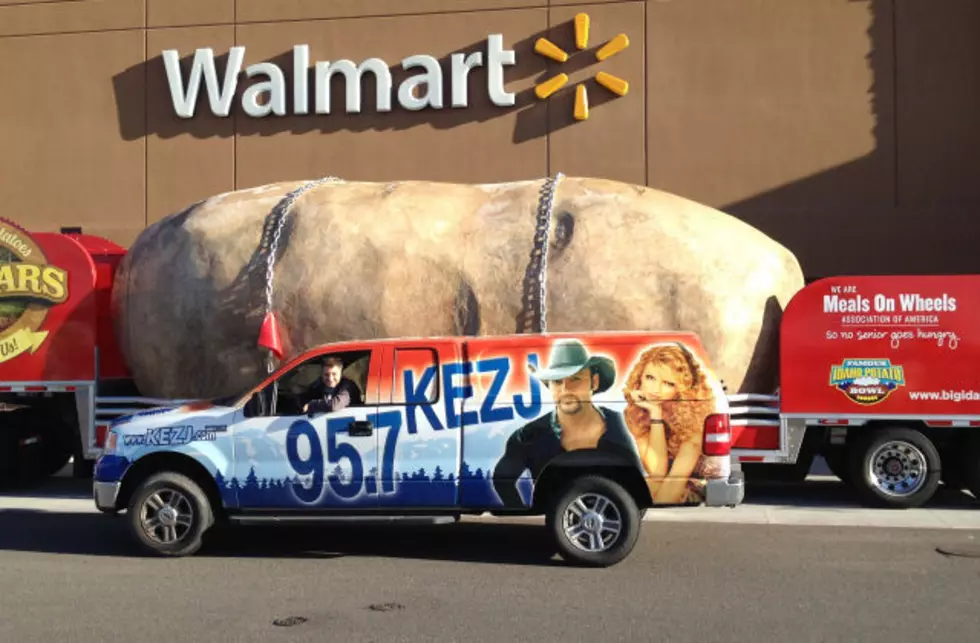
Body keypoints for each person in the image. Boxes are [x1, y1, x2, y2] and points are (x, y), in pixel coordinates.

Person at [491, 339, 640, 508]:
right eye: (557, 382)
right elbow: (502, 480)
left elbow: (637, 479)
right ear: (549, 386)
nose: (565, 390)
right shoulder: (528, 435)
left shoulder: (620, 423)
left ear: (594, 382)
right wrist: (518, 511)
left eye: (575, 379)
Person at [622, 342, 723, 504]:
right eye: (650, 378)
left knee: (641, 489)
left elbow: (677, 479)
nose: (655, 389)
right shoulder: (639, 413)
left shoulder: (694, 417)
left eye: (668, 383)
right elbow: (657, 471)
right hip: (666, 480)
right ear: (639, 377)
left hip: (696, 484)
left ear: (681, 389)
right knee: (641, 485)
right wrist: (656, 414)